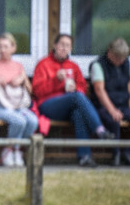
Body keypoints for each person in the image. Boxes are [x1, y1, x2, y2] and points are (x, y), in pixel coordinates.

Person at [32, 33, 115, 167]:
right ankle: (100, 129)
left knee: (78, 113)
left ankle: (84, 156)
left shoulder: (73, 66)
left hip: (69, 106)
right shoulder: (43, 64)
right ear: (55, 45)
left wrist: (76, 88)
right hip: (47, 106)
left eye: (68, 46)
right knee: (76, 97)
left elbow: (82, 87)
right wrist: (55, 81)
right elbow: (37, 91)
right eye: (62, 45)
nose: (64, 48)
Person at [89, 38, 130, 166]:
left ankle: (127, 153)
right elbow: (99, 90)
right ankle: (115, 156)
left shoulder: (127, 63)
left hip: (123, 107)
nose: (120, 61)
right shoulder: (97, 65)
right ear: (109, 52)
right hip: (102, 107)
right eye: (117, 58)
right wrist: (112, 110)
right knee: (114, 119)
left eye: (123, 58)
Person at [0, 32, 38, 166]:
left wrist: (22, 80)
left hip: (15, 104)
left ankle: (15, 150)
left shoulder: (18, 66)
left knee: (33, 121)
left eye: (5, 46)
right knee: (19, 121)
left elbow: (30, 91)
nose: (2, 50)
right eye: (0, 47)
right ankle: (9, 152)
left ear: (13, 48)